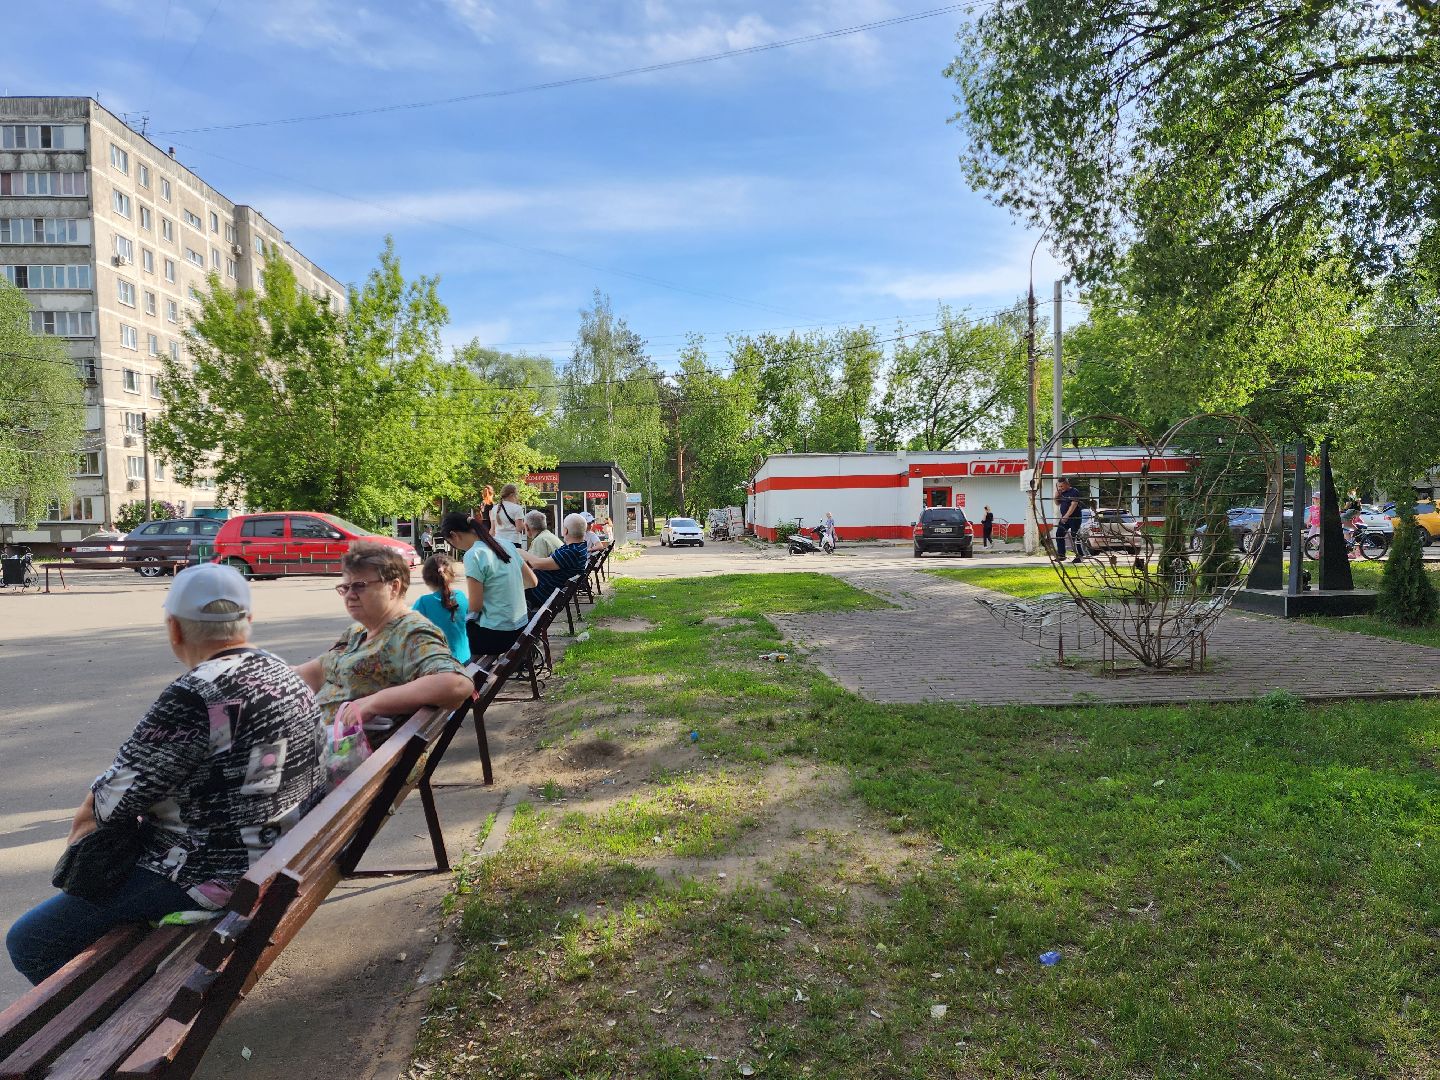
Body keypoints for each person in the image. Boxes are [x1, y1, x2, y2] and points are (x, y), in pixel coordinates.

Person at [7, 564, 327, 986]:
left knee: (30, 941)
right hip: (282, 854)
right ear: (247, 622)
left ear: (174, 628)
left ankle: (113, 1027)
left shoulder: (194, 694)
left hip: (209, 875)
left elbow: (109, 801)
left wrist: (79, 862)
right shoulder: (283, 671)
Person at [295, 542, 472, 731]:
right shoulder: (358, 631)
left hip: (349, 754)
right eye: (345, 588)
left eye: (359, 586)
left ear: (393, 587)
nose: (350, 595)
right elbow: (315, 672)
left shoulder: (411, 632)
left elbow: (456, 683)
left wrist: (377, 701)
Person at [439, 511, 538, 656]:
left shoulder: (473, 554)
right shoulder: (507, 545)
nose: (455, 547)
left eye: (451, 543)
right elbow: (532, 581)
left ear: (454, 535)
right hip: (520, 627)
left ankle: (462, 677)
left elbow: (475, 606)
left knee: (442, 637)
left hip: (497, 635)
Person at [521, 512, 591, 608]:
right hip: (547, 592)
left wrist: (518, 551)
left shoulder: (570, 552)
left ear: (565, 531)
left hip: (540, 595)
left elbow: (536, 563)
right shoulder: (577, 548)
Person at [413, 554, 470, 663]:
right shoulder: (461, 596)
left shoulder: (423, 602)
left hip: (438, 663)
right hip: (463, 658)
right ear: (453, 576)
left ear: (426, 578)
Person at [1053, 478, 1084, 562]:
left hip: (1074, 517)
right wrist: (1056, 496)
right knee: (1059, 534)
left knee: (1075, 536)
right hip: (1064, 517)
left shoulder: (1074, 491)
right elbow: (1057, 503)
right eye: (1058, 486)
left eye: (1061, 486)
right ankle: (1061, 555)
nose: (1060, 488)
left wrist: (1067, 515)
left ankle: (1080, 556)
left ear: (1067, 484)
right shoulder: (1061, 493)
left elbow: (1074, 504)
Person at [490, 484, 527, 550]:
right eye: (517, 494)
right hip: (513, 541)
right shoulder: (517, 508)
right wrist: (526, 523)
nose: (517, 496)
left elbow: (492, 530)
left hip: (498, 542)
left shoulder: (494, 508)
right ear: (512, 495)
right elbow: (519, 528)